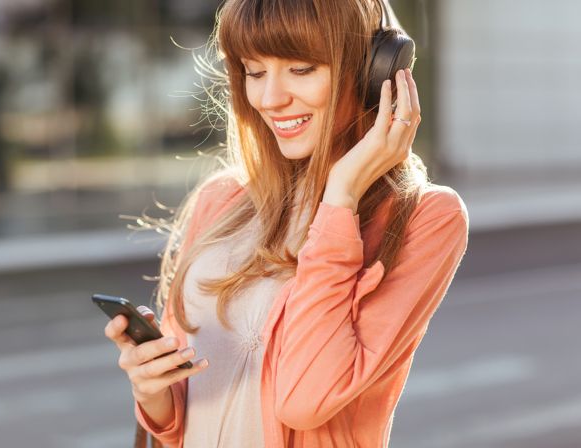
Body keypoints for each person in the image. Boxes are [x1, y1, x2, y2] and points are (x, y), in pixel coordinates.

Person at [104, 0, 469, 446]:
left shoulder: (425, 217)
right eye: (255, 72)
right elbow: (188, 412)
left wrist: (340, 196)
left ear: (375, 73)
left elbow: (306, 399)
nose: (270, 98)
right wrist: (153, 389)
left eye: (301, 69)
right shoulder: (222, 200)